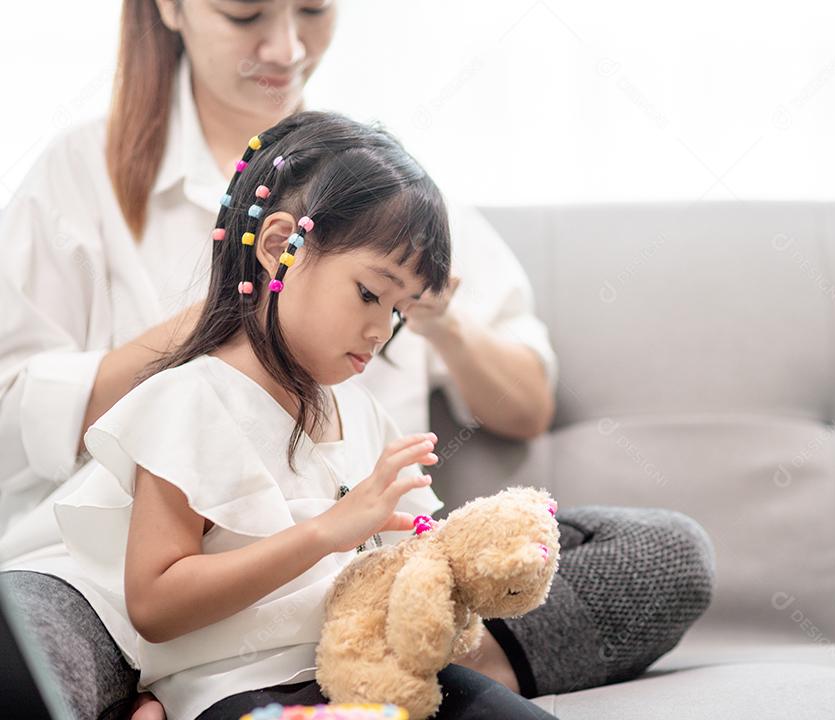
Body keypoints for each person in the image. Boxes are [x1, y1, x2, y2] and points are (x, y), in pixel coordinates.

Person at [0, 1, 716, 716]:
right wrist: (235, 317)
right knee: (24, 637)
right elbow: (20, 413)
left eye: (313, 9)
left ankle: (390, 662)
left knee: (661, 554)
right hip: (108, 591)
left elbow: (523, 406)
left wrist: (439, 321)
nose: (285, 47)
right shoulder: (85, 180)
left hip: (353, 600)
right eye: (246, 14)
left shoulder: (386, 188)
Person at [5, 111, 559, 720]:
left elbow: (408, 552)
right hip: (243, 688)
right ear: (278, 248)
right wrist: (327, 531)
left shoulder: (360, 408)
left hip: (380, 670)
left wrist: (466, 550)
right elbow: (155, 604)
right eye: (371, 294)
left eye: (399, 310)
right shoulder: (186, 401)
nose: (380, 330)